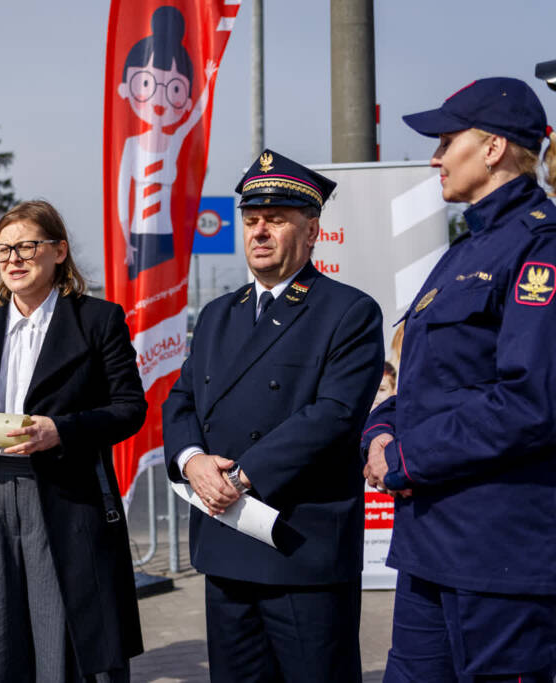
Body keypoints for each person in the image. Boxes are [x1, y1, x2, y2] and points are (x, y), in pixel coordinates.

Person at [362, 77, 556, 682]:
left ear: (494, 147)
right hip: (430, 541)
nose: (434, 157)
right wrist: (379, 429)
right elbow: (422, 377)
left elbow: (532, 403)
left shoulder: (548, 251)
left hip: (499, 549)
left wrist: (405, 458)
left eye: (447, 140)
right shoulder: (463, 254)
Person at [162, 150, 386, 682]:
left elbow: (332, 415)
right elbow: (182, 401)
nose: (260, 232)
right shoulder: (219, 313)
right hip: (225, 539)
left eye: (277, 220)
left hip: (298, 545)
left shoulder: (347, 311)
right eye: (252, 220)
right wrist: (194, 462)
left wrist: (239, 477)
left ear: (311, 232)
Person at [0, 200, 147, 682]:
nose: (13, 258)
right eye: (4, 248)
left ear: (59, 251)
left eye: (27, 245)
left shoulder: (97, 320)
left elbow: (130, 408)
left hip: (65, 499)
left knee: (64, 640)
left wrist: (61, 431)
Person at [115, 5, 217, 278]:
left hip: (166, 235)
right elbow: (122, 198)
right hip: (138, 236)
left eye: (174, 90)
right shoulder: (132, 145)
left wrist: (207, 80)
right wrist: (126, 242)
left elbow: (197, 114)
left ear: (183, 101)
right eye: (146, 84)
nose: (160, 100)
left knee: (167, 295)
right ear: (125, 87)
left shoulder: (173, 141)